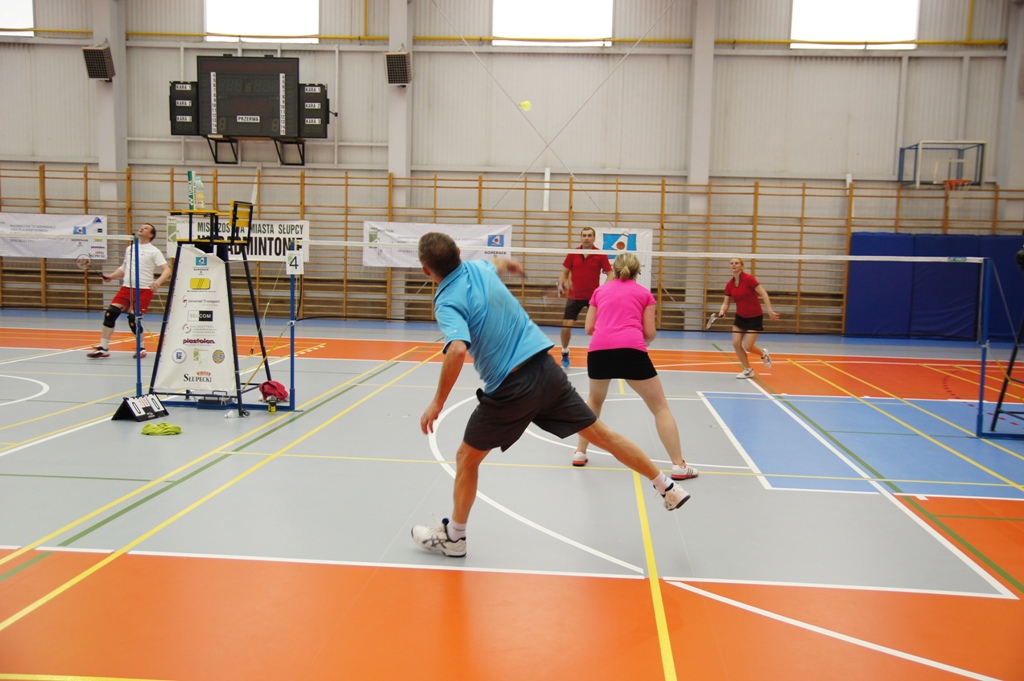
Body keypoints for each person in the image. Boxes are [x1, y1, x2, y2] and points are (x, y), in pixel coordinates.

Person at [411, 232, 690, 558]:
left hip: (510, 388)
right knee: (602, 434)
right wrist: (510, 264)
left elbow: (457, 349)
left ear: (426, 270)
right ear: (459, 252)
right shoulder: (480, 269)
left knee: (466, 458)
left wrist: (438, 402)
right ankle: (667, 486)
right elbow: (497, 263)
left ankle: (455, 538)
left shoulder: (446, 301)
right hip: (546, 370)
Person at [571, 253, 699, 482]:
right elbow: (649, 332)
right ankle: (679, 465)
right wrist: (640, 340)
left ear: (614, 270)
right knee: (660, 407)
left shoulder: (599, 292)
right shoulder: (644, 294)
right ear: (638, 271)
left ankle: (580, 452)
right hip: (632, 351)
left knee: (594, 401)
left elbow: (589, 328)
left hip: (599, 351)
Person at [87, 223, 170, 359]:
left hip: (144, 290)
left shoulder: (154, 251)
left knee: (133, 320)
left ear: (151, 235)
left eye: (146, 228)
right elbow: (124, 268)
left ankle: (141, 348)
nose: (142, 228)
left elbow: (167, 270)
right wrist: (112, 276)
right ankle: (103, 348)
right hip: (126, 288)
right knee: (110, 314)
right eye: (141, 227)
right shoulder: (130, 248)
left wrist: (158, 282)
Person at [557, 226, 611, 368]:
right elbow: (564, 273)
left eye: (589, 235)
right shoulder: (573, 253)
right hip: (574, 297)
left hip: (594, 298)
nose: (586, 238)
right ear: (581, 238)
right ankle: (564, 351)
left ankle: (602, 354)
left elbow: (610, 274)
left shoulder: (600, 254)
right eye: (584, 235)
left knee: (600, 329)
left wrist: (604, 290)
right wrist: (561, 284)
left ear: (594, 238)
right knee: (566, 328)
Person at [717, 257, 779, 379]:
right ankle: (748, 370)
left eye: (736, 263)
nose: (733, 265)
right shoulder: (729, 284)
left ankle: (763, 354)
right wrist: (722, 310)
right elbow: (726, 303)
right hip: (740, 317)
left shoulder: (749, 279)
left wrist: (769, 310)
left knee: (748, 346)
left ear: (741, 266)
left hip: (754, 316)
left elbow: (763, 293)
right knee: (736, 343)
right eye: (731, 263)